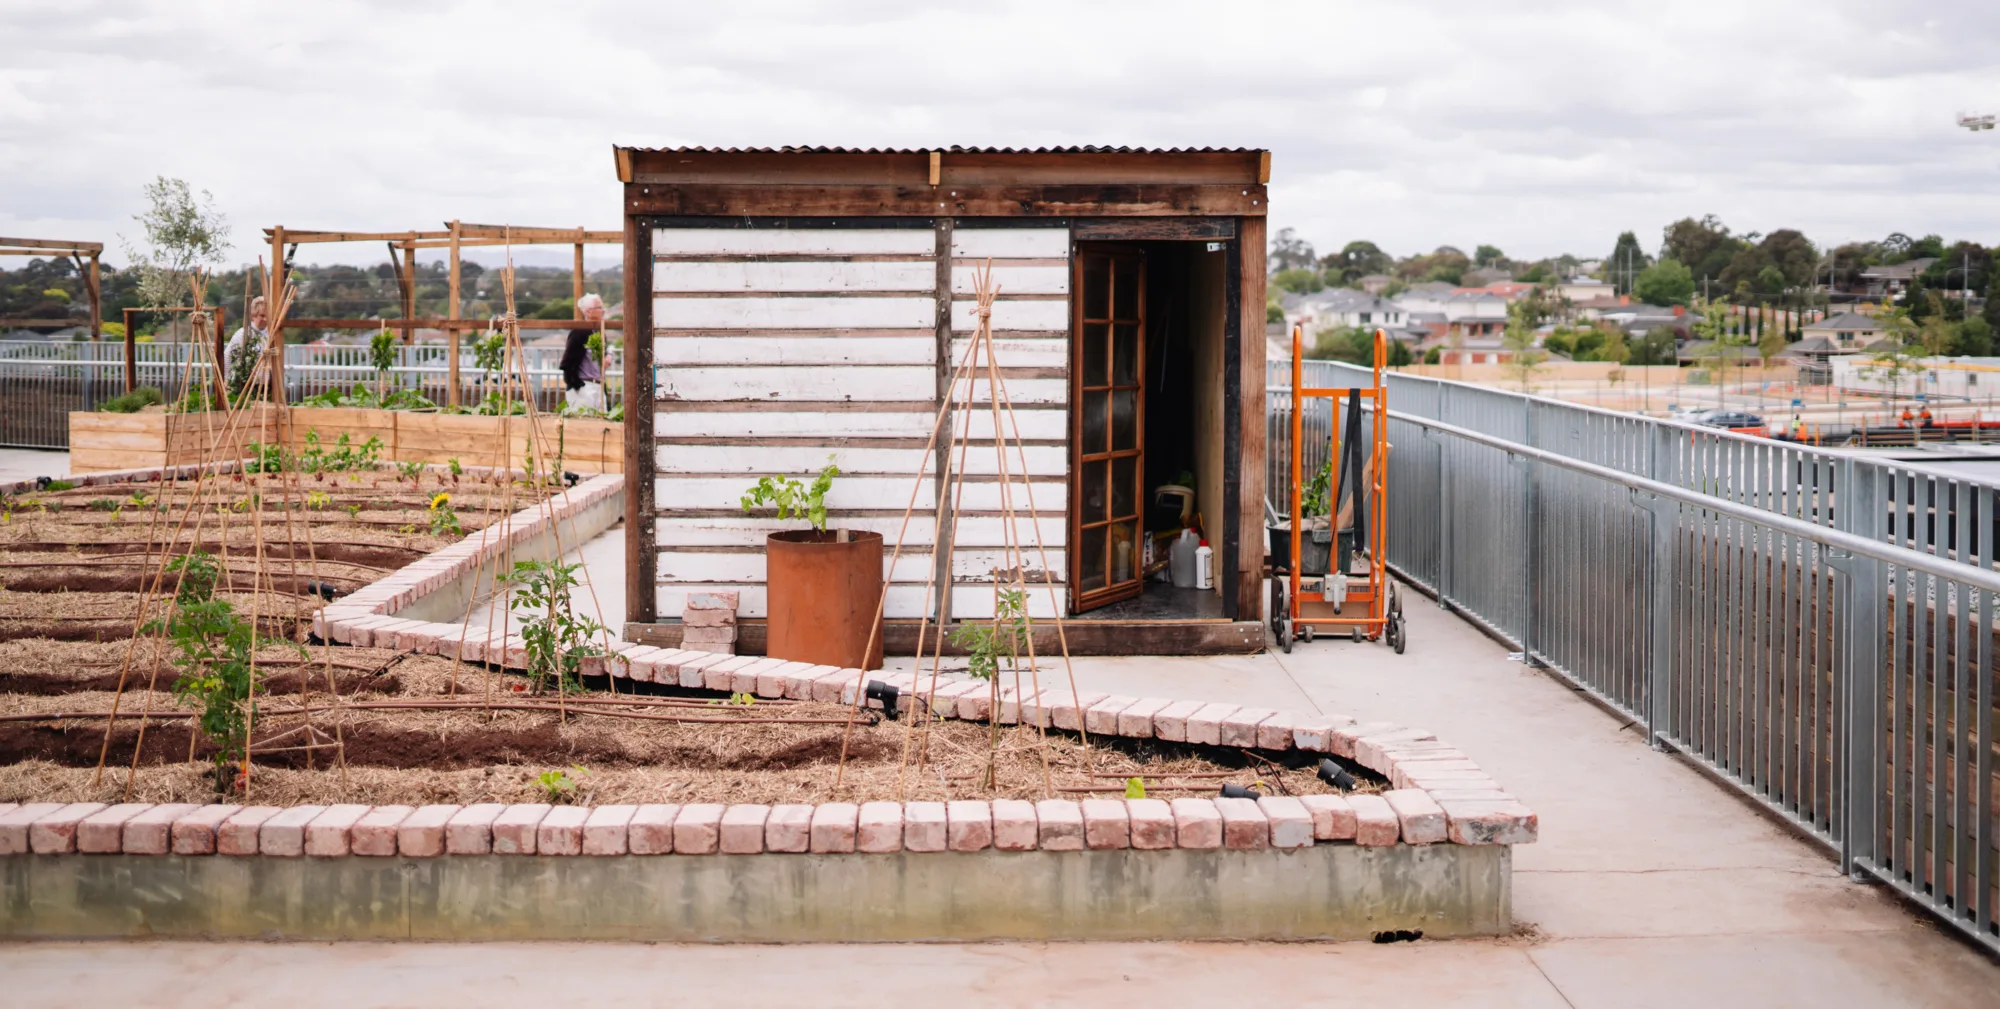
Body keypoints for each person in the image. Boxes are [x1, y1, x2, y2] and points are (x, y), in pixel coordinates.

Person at [560, 293, 607, 412]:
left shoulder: (599, 332)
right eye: (599, 307)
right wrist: (577, 385)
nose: (603, 311)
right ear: (588, 312)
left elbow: (605, 353)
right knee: (584, 419)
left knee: (604, 420)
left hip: (598, 385)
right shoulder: (579, 332)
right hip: (584, 386)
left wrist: (608, 355)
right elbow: (567, 363)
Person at [222, 296, 269, 398]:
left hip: (266, 385)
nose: (265, 319)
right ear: (253, 316)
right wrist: (227, 381)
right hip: (245, 384)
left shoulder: (270, 334)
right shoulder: (243, 334)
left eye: (267, 316)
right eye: (262, 316)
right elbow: (228, 357)